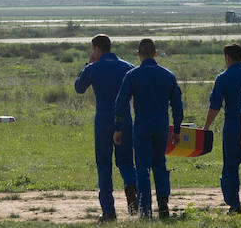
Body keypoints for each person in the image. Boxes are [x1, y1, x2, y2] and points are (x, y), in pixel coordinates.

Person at [113, 38, 183, 219]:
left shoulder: (132, 75)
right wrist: (177, 130)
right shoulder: (168, 75)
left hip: (142, 125)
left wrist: (118, 127)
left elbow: (121, 103)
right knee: (160, 164)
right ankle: (163, 204)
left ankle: (145, 210)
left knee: (142, 168)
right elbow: (177, 106)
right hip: (161, 125)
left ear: (139, 54)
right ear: (155, 53)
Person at [74, 35, 138, 222]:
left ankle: (109, 211)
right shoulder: (128, 67)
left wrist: (88, 65)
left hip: (103, 119)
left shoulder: (93, 68)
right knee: (126, 160)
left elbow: (79, 88)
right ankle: (130, 184)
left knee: (103, 163)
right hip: (124, 118)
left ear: (97, 49)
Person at [203, 43, 241, 214]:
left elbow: (215, 105)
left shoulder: (223, 77)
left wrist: (206, 127)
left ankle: (234, 205)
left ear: (227, 58)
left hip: (233, 126)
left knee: (230, 167)